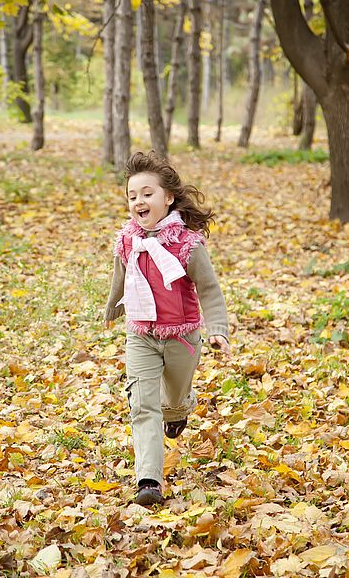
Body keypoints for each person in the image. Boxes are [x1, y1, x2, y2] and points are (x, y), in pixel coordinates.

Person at [104, 150, 230, 506]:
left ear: (168, 198)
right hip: (141, 333)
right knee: (143, 405)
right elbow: (122, 275)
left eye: (147, 193)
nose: (138, 201)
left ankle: (179, 410)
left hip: (183, 337)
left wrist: (218, 328)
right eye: (132, 196)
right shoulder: (128, 239)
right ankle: (149, 480)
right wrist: (113, 306)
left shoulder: (187, 245)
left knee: (172, 399)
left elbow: (209, 289)